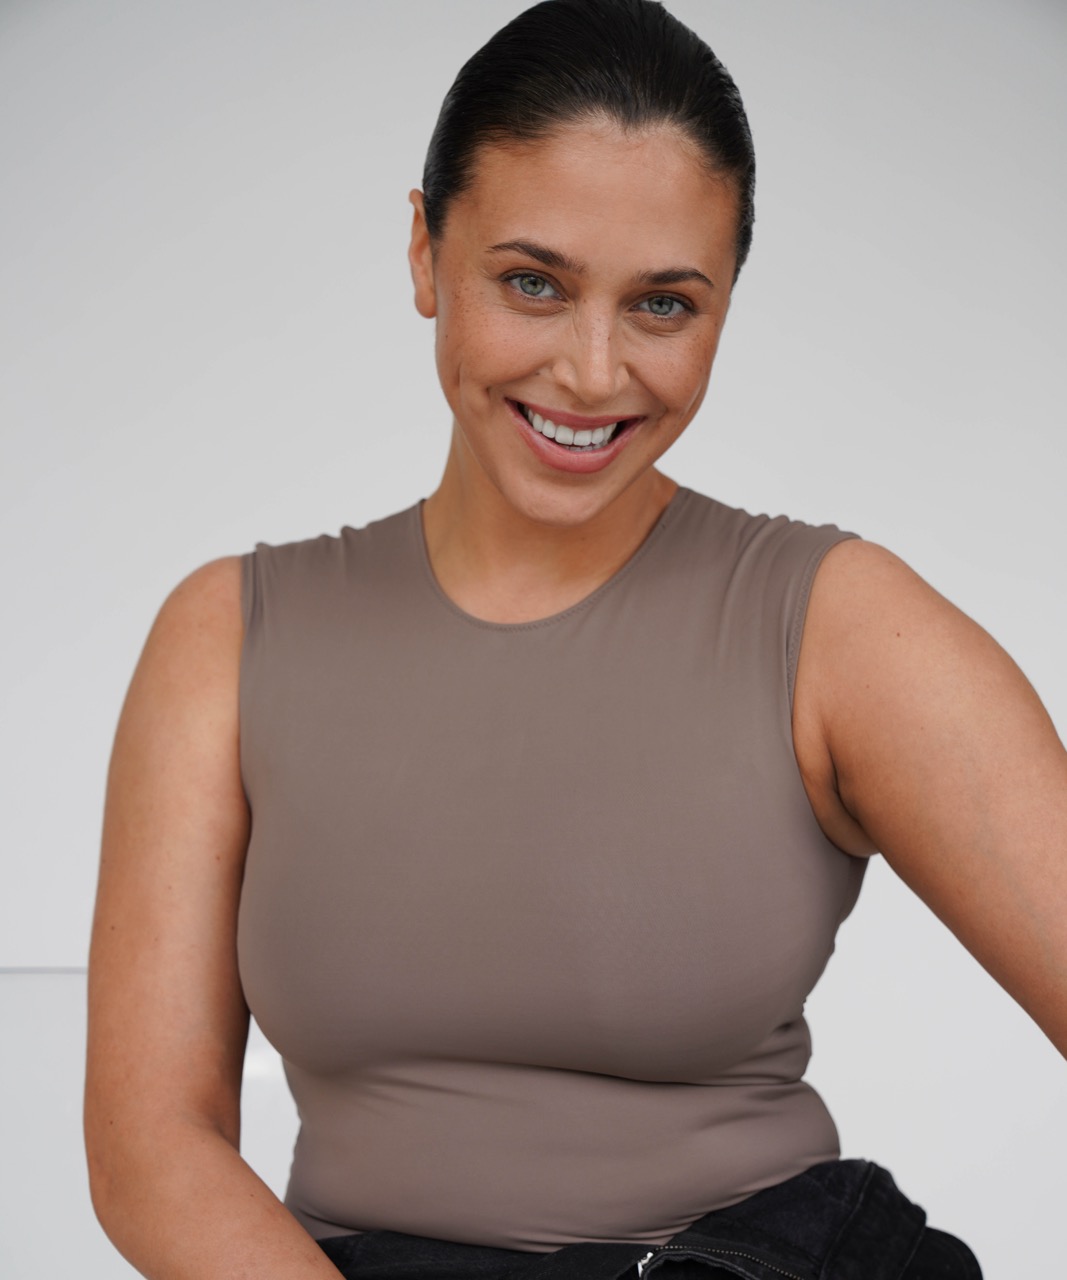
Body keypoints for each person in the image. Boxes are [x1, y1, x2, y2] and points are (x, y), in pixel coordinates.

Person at [84, 1, 1065, 1277]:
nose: (594, 374)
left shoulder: (835, 625)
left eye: (662, 304)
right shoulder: (225, 636)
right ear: (425, 251)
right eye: (532, 283)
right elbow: (148, 1143)